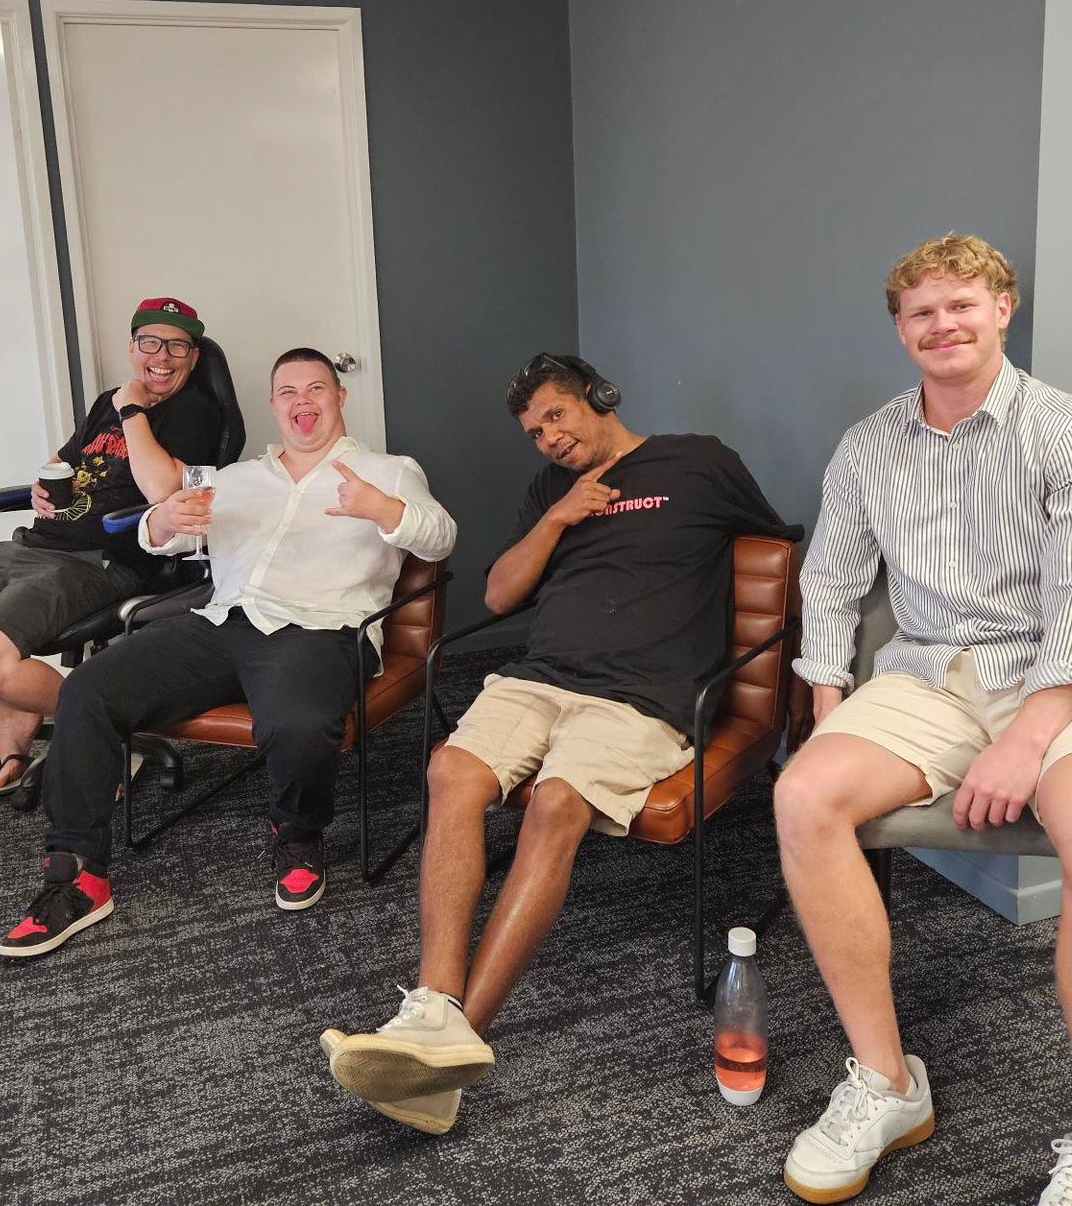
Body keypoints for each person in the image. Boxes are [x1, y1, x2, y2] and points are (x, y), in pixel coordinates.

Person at [320, 353, 797, 1136]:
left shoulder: (700, 461)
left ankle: (449, 1042)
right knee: (452, 770)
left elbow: (780, 560)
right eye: (533, 430)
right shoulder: (551, 491)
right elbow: (501, 593)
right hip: (537, 678)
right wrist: (557, 517)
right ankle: (433, 1012)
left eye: (556, 416)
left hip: (642, 698)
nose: (546, 437)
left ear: (598, 399)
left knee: (556, 803)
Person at [774, 234, 1072, 1206]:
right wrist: (825, 704)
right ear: (901, 332)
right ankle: (887, 1082)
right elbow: (830, 580)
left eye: (961, 304)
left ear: (1002, 309)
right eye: (920, 313)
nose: (942, 325)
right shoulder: (869, 447)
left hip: (1066, 677)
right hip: (931, 675)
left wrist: (1027, 741)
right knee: (804, 797)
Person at [0, 347, 455, 956]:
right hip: (218, 623)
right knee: (87, 690)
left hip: (319, 629)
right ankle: (77, 874)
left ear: (339, 398)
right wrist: (161, 522)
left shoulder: (388, 470)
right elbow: (164, 538)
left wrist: (382, 510)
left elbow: (442, 534)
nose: (302, 402)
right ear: (273, 405)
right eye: (288, 392)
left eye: (315, 388)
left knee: (296, 723)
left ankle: (296, 833)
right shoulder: (233, 479)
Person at [0, 297, 223, 797]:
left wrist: (133, 407)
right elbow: (64, 462)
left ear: (194, 357)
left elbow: (163, 491)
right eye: (149, 342)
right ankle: (3, 713)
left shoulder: (195, 413)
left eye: (178, 345)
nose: (162, 356)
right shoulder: (108, 401)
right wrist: (40, 485)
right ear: (132, 347)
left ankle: (104, 732)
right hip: (31, 546)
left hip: (99, 561)